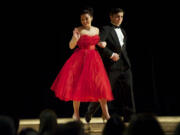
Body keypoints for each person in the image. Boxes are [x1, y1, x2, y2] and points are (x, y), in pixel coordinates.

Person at [50, 7, 114, 121]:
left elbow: (98, 43)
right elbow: (71, 46)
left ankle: (106, 114)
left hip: (94, 60)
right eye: (82, 19)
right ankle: (76, 114)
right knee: (77, 87)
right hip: (80, 60)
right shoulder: (78, 30)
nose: (84, 21)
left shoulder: (97, 30)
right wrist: (75, 39)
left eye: (86, 18)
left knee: (101, 87)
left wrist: (102, 43)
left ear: (91, 18)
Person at [85, 8, 136, 122]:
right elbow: (99, 44)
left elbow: (123, 48)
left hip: (125, 65)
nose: (120, 19)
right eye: (117, 16)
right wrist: (111, 54)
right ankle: (90, 111)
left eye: (122, 17)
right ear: (111, 17)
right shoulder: (106, 29)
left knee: (128, 90)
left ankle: (129, 116)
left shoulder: (123, 31)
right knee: (104, 92)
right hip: (112, 66)